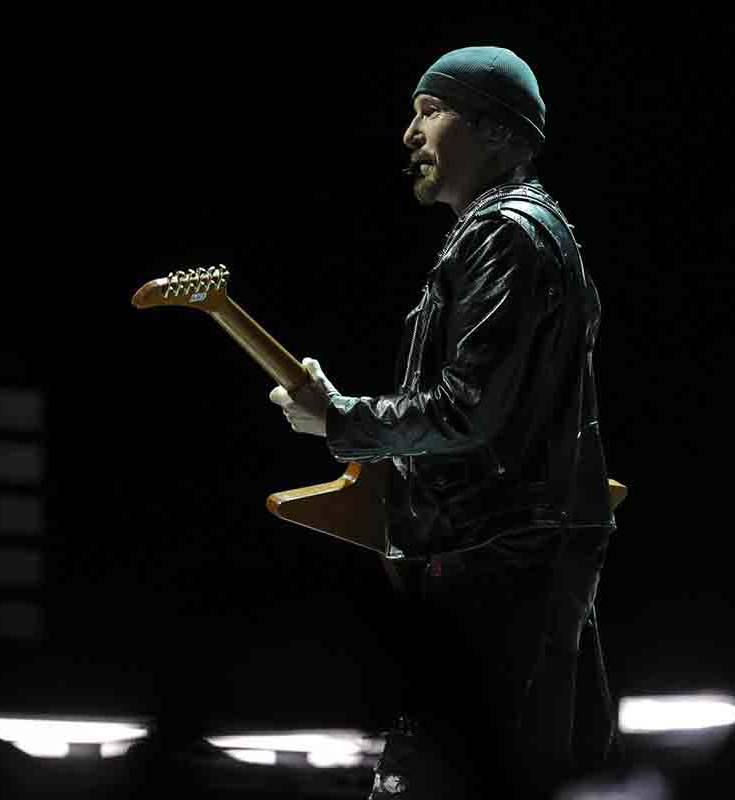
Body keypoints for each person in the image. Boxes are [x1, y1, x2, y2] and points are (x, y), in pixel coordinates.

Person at [270, 45, 617, 797]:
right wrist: (343, 417)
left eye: (431, 111)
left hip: (498, 564)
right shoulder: (521, 231)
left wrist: (342, 419)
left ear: (498, 132)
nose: (409, 133)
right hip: (511, 561)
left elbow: (466, 410)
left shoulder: (506, 234)